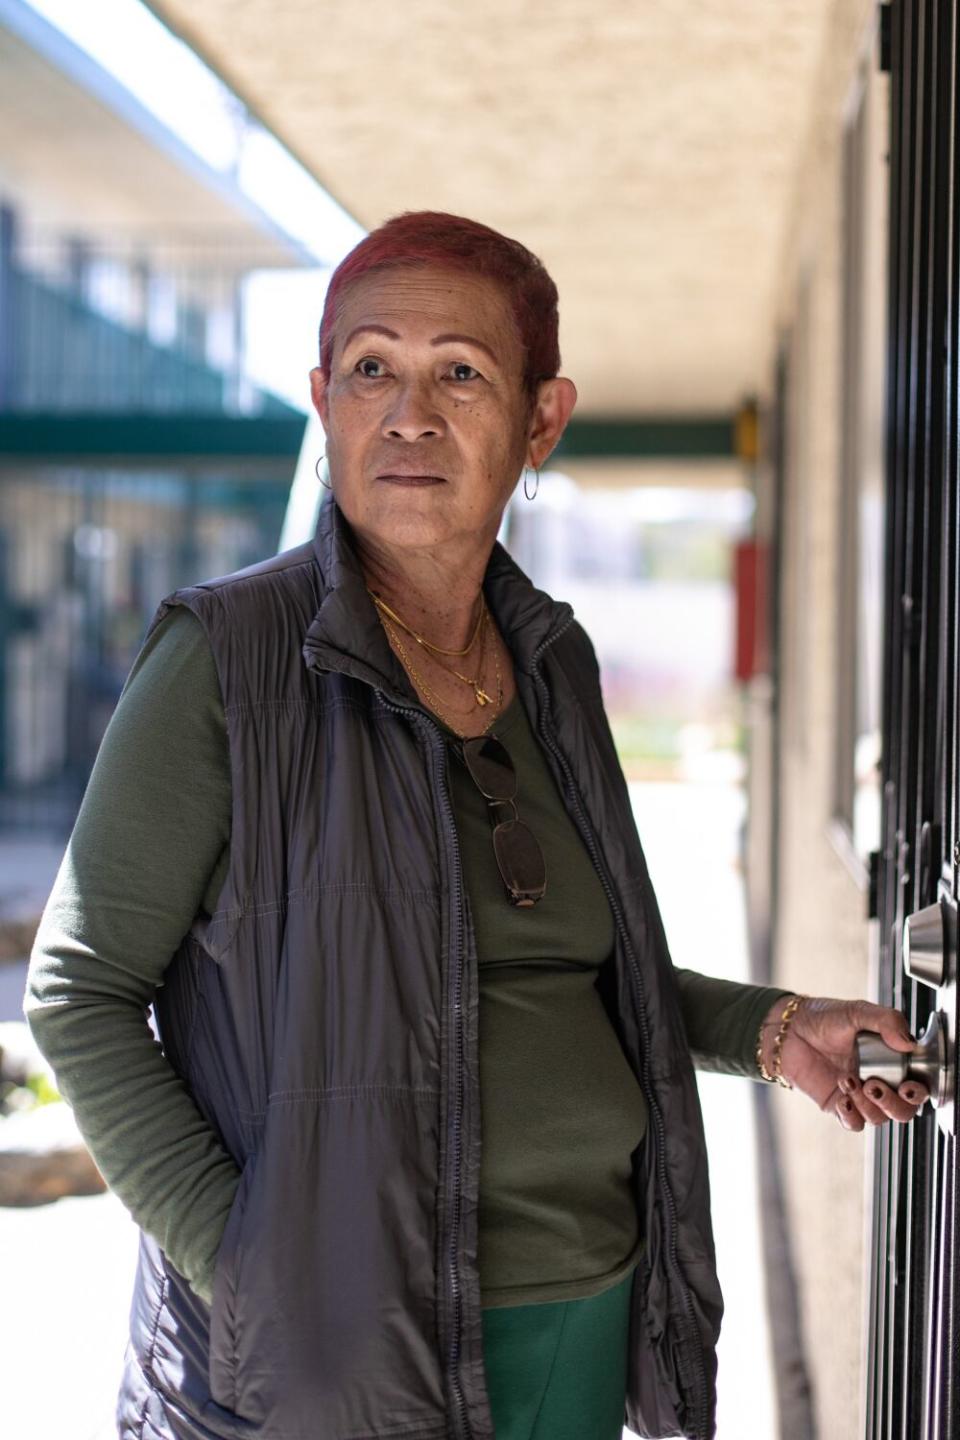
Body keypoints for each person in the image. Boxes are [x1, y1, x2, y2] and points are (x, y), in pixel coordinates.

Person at [24, 211, 927, 1440]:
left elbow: (569, 964)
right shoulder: (228, 657)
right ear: (324, 400)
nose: (410, 414)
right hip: (335, 1353)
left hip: (584, 1304)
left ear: (541, 418)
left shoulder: (553, 661)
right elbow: (79, 992)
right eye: (371, 369)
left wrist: (776, 1029)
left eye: (461, 371)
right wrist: (245, 1274)